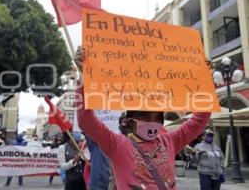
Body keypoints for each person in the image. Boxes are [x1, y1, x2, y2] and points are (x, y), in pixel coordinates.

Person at [74, 46, 212, 190]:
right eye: (145, 116)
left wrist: (205, 81)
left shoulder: (170, 142)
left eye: (157, 117)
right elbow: (86, 122)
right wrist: (84, 77)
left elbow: (200, 120)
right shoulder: (116, 144)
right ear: (130, 120)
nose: (152, 121)